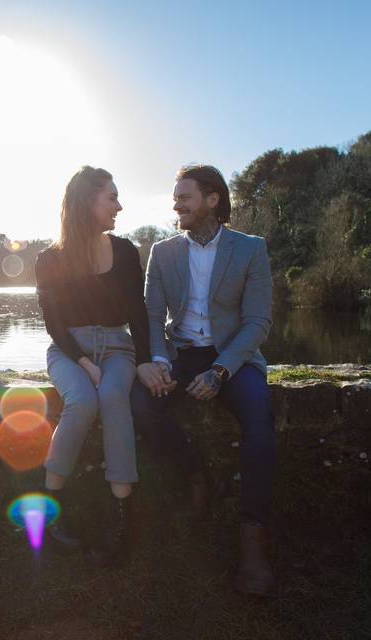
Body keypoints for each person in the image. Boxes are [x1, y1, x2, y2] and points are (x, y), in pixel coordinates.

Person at [131, 164, 277, 597]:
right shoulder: (162, 251)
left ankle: (253, 543)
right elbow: (152, 315)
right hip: (180, 353)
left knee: (259, 422)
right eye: (175, 197)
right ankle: (196, 475)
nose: (176, 204)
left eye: (184, 197)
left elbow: (257, 323)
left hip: (233, 355)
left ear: (213, 199)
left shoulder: (251, 249)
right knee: (141, 405)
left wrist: (220, 370)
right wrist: (157, 359)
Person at [34, 165, 152, 566]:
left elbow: (138, 314)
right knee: (82, 401)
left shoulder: (125, 251)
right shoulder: (49, 259)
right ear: (88, 201)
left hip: (119, 348)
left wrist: (148, 360)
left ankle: (123, 519)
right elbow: (53, 324)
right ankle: (49, 514)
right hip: (69, 351)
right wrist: (84, 362)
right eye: (112, 197)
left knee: (115, 396)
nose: (119, 205)